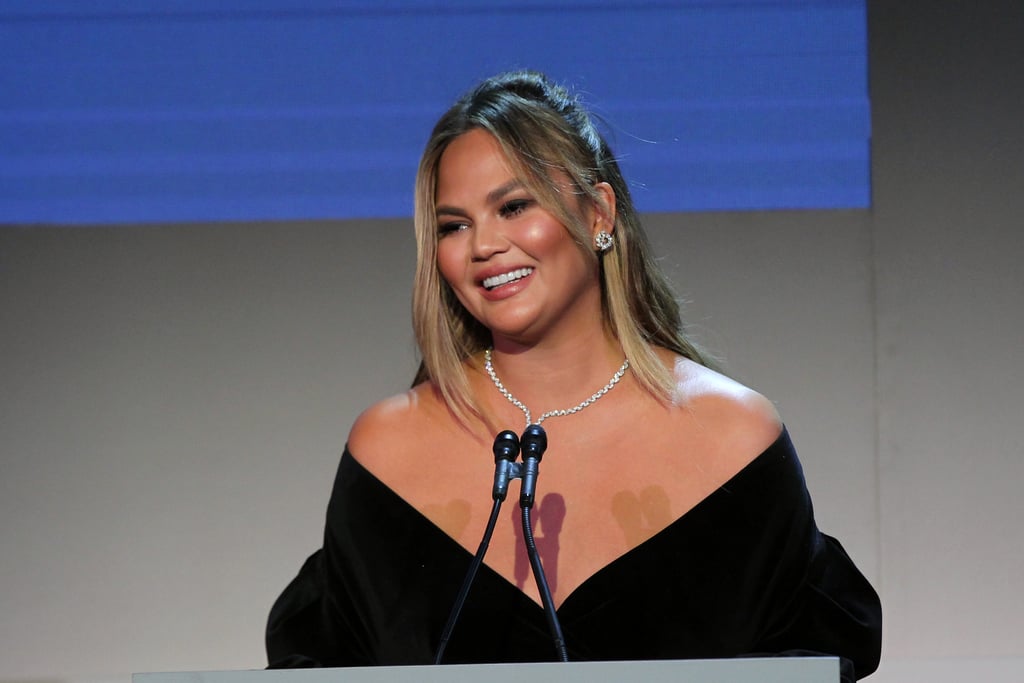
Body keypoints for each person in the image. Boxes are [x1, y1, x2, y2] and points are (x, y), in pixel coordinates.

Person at [265, 70, 882, 680]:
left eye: (513, 206)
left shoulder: (734, 438)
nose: (483, 246)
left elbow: (806, 660)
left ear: (598, 214)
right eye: (455, 225)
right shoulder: (386, 452)